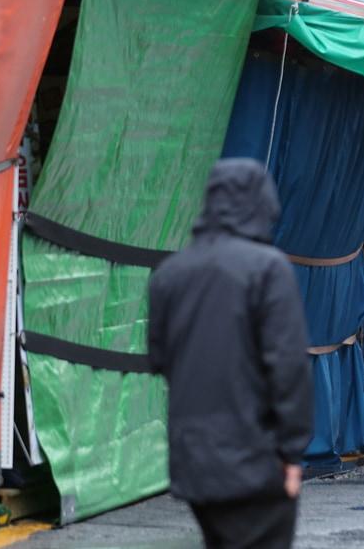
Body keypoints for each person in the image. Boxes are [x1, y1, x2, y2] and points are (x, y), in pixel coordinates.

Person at [148, 158, 314, 549]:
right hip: (255, 461)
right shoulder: (268, 269)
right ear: (263, 204)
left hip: (192, 464)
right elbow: (288, 366)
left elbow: (158, 359)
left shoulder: (169, 274)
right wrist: (292, 452)